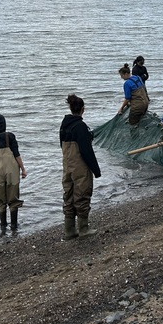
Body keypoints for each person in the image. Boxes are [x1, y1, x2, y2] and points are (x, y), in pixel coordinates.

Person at [60, 93, 101, 239]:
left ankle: (69, 230)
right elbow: (86, 151)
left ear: (71, 108)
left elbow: (61, 145)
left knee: (69, 194)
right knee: (82, 194)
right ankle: (83, 229)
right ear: (83, 109)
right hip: (80, 166)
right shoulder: (81, 126)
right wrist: (96, 171)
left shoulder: (64, 125)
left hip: (67, 165)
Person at [0, 113, 27, 229]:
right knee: (13, 199)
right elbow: (16, 154)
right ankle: (14, 225)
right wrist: (23, 169)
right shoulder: (10, 137)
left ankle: (3, 226)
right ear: (4, 125)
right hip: (11, 170)